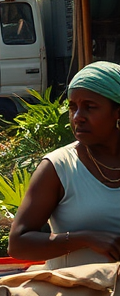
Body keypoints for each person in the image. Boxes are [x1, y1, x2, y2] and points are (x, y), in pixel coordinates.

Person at [10, 62, 120, 269]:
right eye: (73, 107)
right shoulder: (58, 167)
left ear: (117, 112)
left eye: (90, 107)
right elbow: (18, 244)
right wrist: (85, 239)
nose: (78, 117)